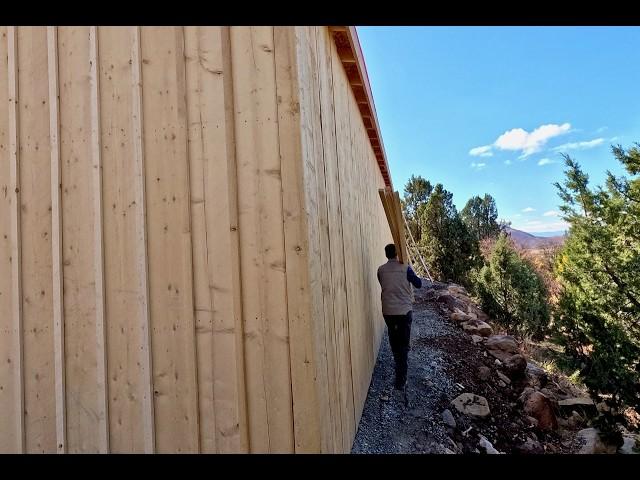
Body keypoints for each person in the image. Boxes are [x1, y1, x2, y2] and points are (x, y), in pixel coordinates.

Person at [377, 243, 422, 393]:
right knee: (403, 346)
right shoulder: (406, 268)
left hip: (388, 311)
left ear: (386, 255)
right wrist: (410, 270)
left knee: (394, 339)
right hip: (403, 312)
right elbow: (419, 284)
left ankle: (397, 360)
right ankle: (400, 381)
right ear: (397, 254)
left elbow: (383, 283)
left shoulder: (381, 270)